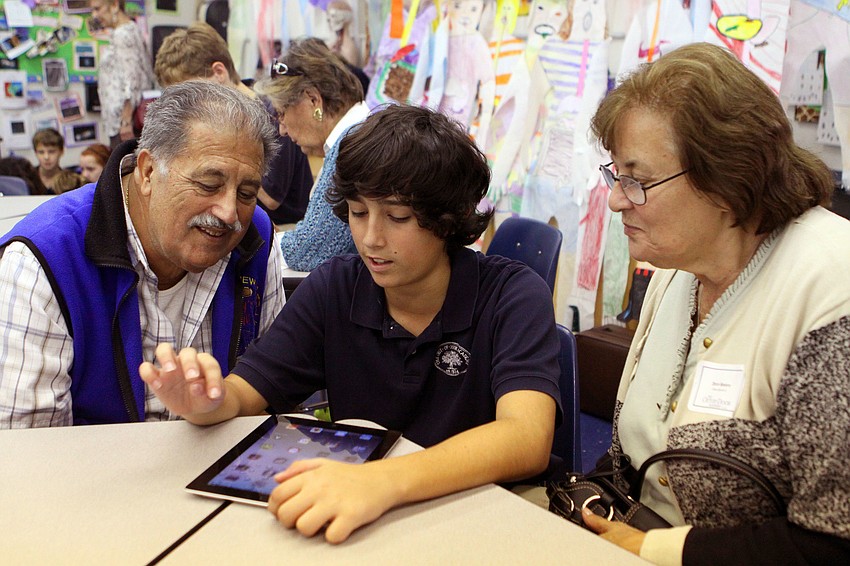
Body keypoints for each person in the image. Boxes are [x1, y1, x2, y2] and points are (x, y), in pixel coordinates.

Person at [139, 104, 561, 544]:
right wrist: (208, 400)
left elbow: (526, 437)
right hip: (375, 518)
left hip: (485, 516)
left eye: (397, 218)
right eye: (358, 213)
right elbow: (248, 392)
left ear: (447, 220)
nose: (371, 238)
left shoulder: (512, 295)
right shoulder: (335, 287)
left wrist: (382, 481)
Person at [582, 42, 850, 564]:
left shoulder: (830, 294)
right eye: (615, 175)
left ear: (728, 178)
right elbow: (629, 460)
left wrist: (650, 548)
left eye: (637, 180)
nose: (616, 198)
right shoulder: (678, 270)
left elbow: (834, 543)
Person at [0, 81, 285, 428]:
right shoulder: (43, 260)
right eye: (209, 185)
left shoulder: (254, 236)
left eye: (246, 192)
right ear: (148, 171)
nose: (229, 213)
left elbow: (274, 387)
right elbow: (27, 448)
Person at [154, 22, 313, 228]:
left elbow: (273, 198)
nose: (188, 105)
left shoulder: (272, 111)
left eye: (193, 93)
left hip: (286, 227)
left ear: (219, 72)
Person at [254, 38, 368, 271]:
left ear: (313, 100)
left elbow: (309, 251)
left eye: (282, 113)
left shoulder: (349, 146)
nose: (282, 130)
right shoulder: (361, 132)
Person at [89, 0, 155, 148]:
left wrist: (125, 121)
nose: (95, 15)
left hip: (124, 123)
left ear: (114, 5)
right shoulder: (129, 30)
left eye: (98, 9)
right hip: (122, 121)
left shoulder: (122, 34)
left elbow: (132, 80)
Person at [32, 127, 65, 192]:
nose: (46, 157)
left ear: (61, 152)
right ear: (35, 153)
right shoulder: (28, 180)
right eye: (41, 152)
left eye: (51, 152)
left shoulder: (68, 181)